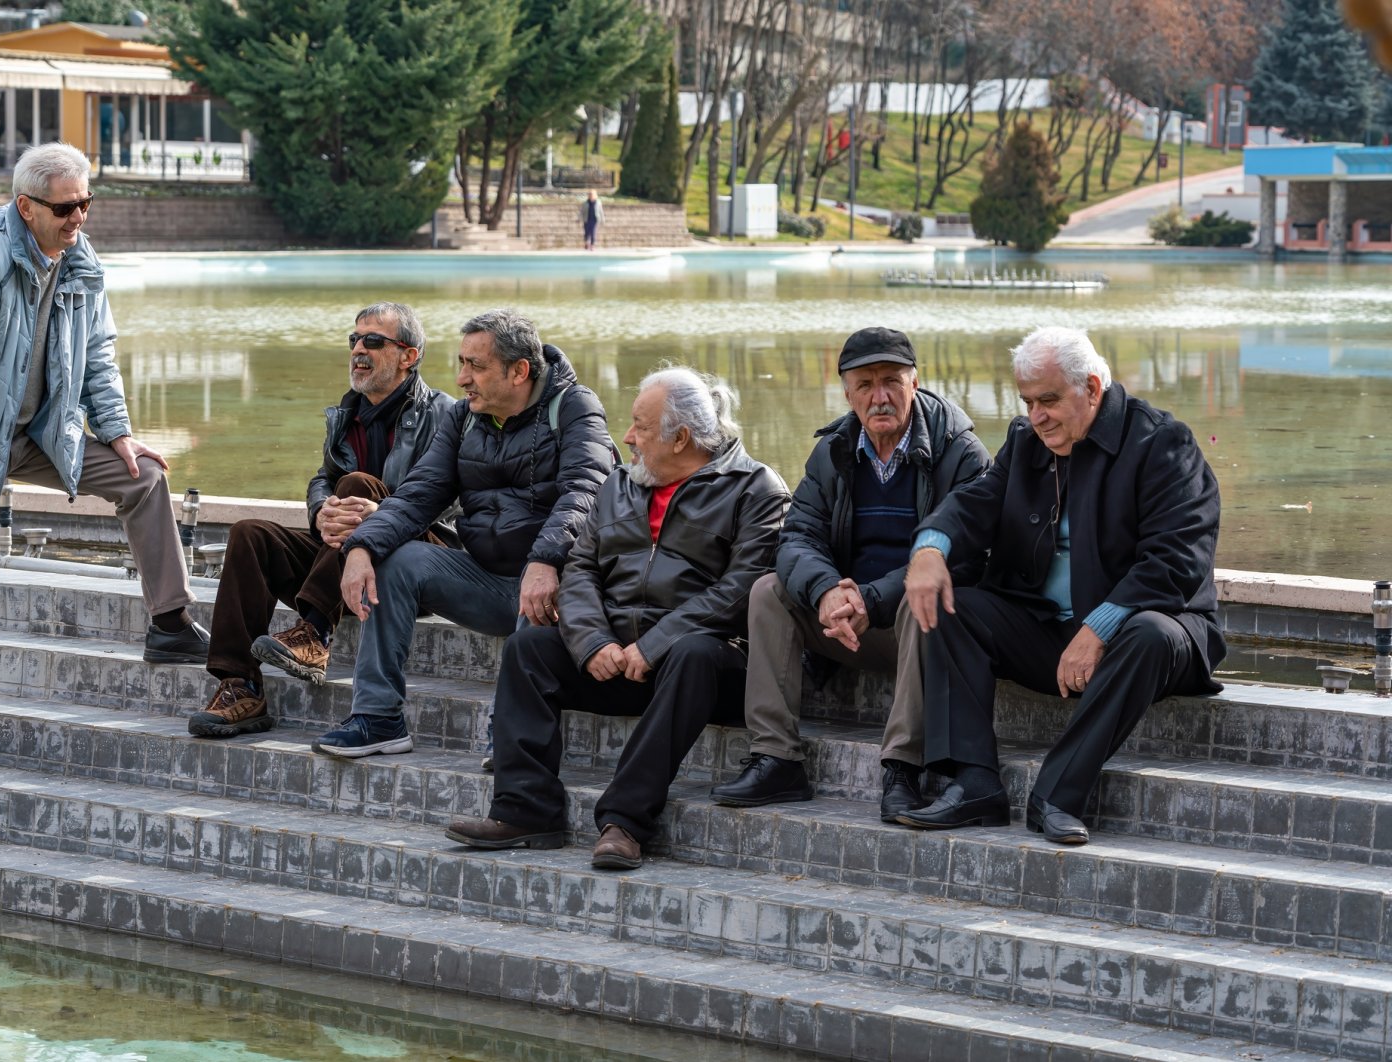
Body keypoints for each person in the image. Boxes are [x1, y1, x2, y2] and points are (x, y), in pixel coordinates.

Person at [0, 142, 205, 778]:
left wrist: (117, 433)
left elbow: (99, 353)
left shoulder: (81, 264)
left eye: (87, 203)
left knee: (142, 478)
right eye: (66, 207)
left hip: (36, 434)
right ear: (26, 207)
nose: (79, 217)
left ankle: (170, 623)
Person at [446, 368, 790, 869]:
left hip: (701, 673)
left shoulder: (756, 488)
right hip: (615, 660)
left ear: (682, 438)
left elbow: (740, 590)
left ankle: (625, 822)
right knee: (529, 649)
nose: (627, 437)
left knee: (694, 653)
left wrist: (654, 645)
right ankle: (526, 810)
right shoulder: (621, 484)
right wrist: (592, 643)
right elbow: (581, 566)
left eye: (641, 427)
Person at [899, 326, 1223, 845]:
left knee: (1149, 634)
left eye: (1048, 400)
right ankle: (976, 782)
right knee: (952, 606)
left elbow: (1177, 560)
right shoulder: (1026, 441)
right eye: (1028, 402)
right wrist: (930, 548)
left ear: (1092, 388)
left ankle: (1056, 795)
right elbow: (974, 501)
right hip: (1050, 632)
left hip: (1151, 636)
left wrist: (1098, 628)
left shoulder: (1164, 443)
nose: (1036, 416)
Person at [710, 327, 990, 820]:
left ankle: (903, 768)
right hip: (846, 622)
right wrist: (824, 593)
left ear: (916, 382)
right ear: (846, 391)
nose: (879, 397)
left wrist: (872, 597)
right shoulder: (833, 450)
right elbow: (796, 537)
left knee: (922, 596)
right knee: (768, 591)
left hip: (917, 627)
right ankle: (776, 757)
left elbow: (968, 552)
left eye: (891, 382)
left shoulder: (960, 452)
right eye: (865, 385)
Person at [321, 309, 615, 757]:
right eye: (461, 363)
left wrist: (546, 559)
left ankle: (512, 739)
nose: (461, 379)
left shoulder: (574, 407)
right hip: (487, 581)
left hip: (557, 582)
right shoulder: (462, 418)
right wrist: (361, 547)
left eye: (475, 366)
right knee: (395, 560)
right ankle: (378, 719)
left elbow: (587, 492)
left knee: (546, 588)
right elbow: (417, 495)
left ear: (519, 371)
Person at [186, 302, 457, 739]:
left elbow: (447, 500)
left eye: (374, 341)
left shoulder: (446, 414)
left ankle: (314, 633)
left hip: (420, 557)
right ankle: (240, 686)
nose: (358, 350)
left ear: (410, 355)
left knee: (358, 484)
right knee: (249, 535)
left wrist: (380, 514)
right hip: (349, 559)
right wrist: (322, 510)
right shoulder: (345, 415)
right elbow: (323, 479)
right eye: (354, 340)